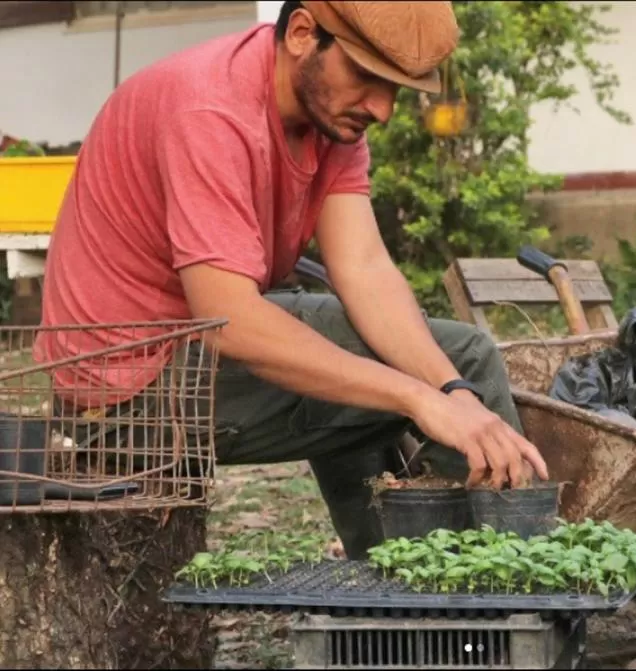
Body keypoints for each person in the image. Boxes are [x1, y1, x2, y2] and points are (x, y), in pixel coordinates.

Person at [34, 0, 549, 559]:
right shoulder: (210, 109)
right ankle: (502, 597)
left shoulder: (330, 120)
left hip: (185, 358)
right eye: (367, 77)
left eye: (397, 89)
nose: (382, 109)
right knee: (450, 356)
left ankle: (403, 594)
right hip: (123, 400)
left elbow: (365, 273)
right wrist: (419, 397)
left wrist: (454, 394)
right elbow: (230, 322)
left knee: (439, 365)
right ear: (303, 32)